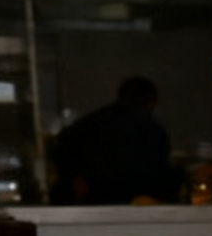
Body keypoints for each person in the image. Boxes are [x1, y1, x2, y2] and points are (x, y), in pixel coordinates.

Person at [49, 76, 179, 205]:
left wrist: (77, 179)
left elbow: (61, 149)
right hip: (140, 204)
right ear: (151, 101)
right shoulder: (152, 130)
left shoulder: (92, 123)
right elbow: (161, 168)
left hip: (95, 202)